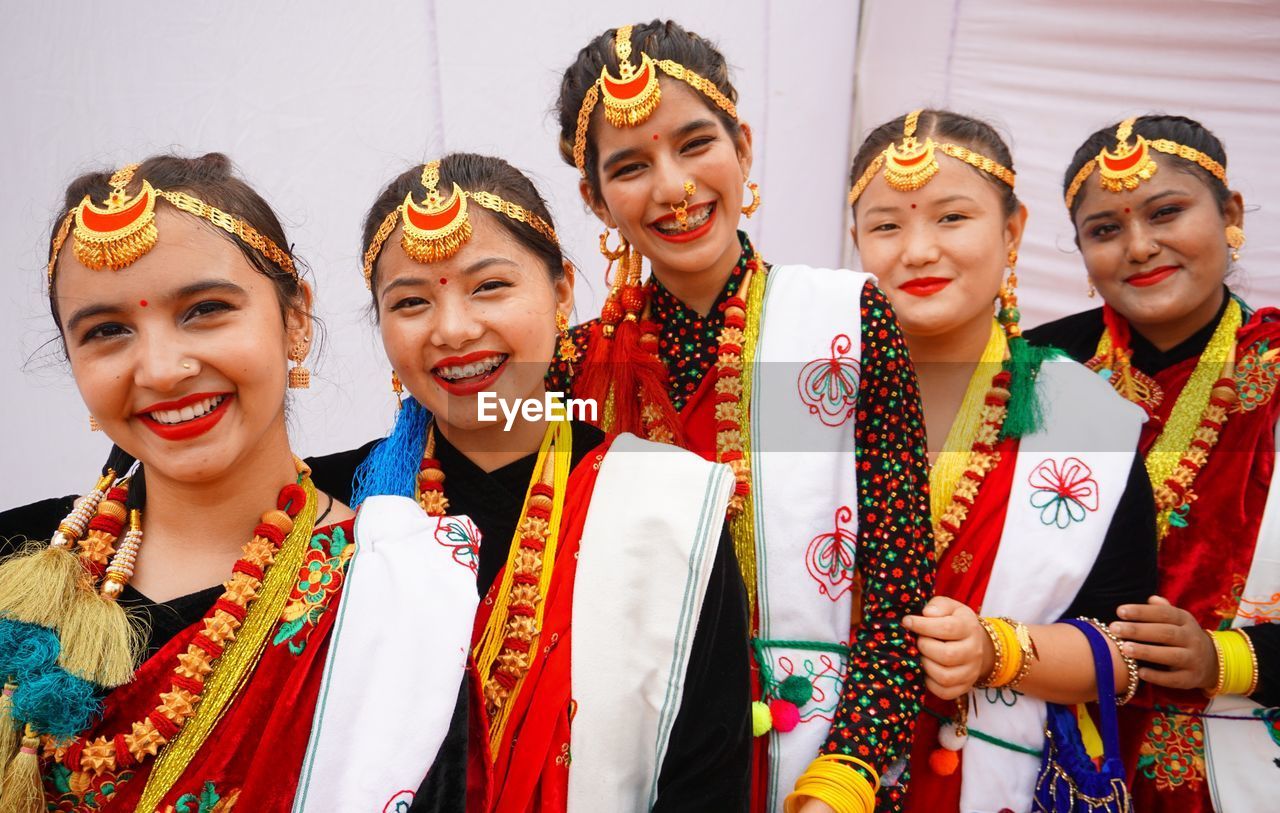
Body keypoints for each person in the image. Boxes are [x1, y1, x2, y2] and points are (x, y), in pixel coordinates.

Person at [0, 154, 473, 812]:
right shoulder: (16, 568)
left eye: (205, 309)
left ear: (296, 320)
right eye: (107, 331)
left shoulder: (398, 595)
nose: (163, 369)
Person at [548, 21, 933, 813]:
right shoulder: (570, 367)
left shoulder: (848, 322)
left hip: (822, 765)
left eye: (695, 144)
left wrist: (845, 776)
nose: (673, 185)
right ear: (594, 197)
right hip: (633, 770)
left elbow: (900, 594)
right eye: (631, 166)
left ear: (743, 146)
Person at [349, 152, 751, 812]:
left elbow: (707, 781)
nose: (453, 329)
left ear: (563, 291)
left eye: (489, 287)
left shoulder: (669, 507)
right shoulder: (340, 504)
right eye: (412, 301)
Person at [846, 109, 1158, 812]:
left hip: (999, 784)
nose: (918, 251)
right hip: (813, 774)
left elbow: (1128, 652)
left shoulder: (1090, 423)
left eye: (952, 218)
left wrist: (997, 651)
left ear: (1012, 230)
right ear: (857, 240)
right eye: (888, 225)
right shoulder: (811, 399)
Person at [1026, 114, 1280, 812]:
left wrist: (1225, 657)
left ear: (1230, 214)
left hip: (1245, 759)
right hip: (1049, 752)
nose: (1140, 246)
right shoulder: (1033, 370)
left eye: (1167, 212)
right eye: (1105, 229)